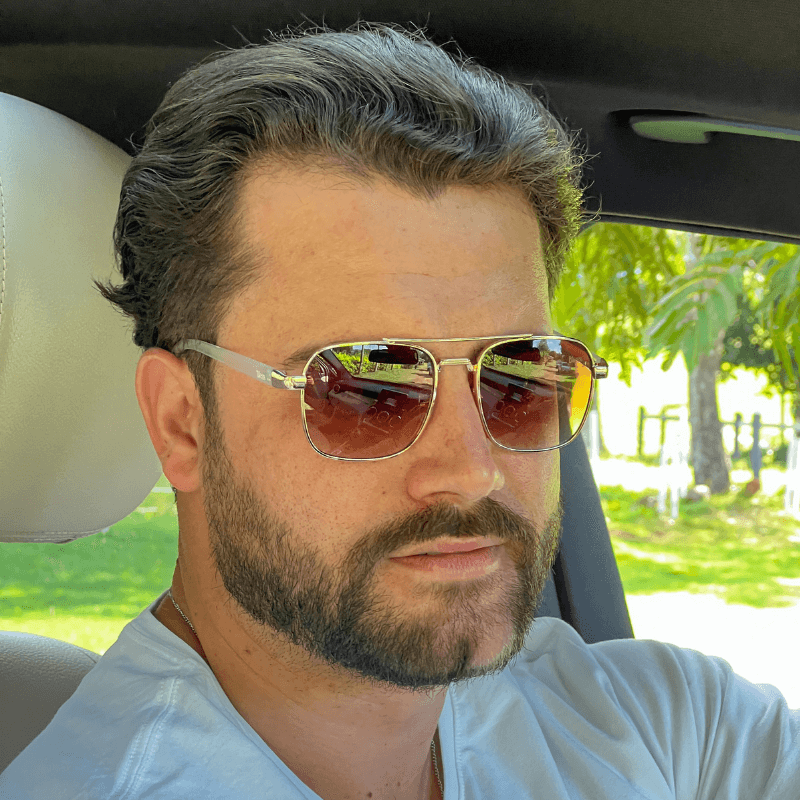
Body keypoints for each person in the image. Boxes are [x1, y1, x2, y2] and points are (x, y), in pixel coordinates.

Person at [1, 20, 798, 800]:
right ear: (183, 422)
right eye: (366, 389)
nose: (474, 470)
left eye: (518, 380)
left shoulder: (670, 726)